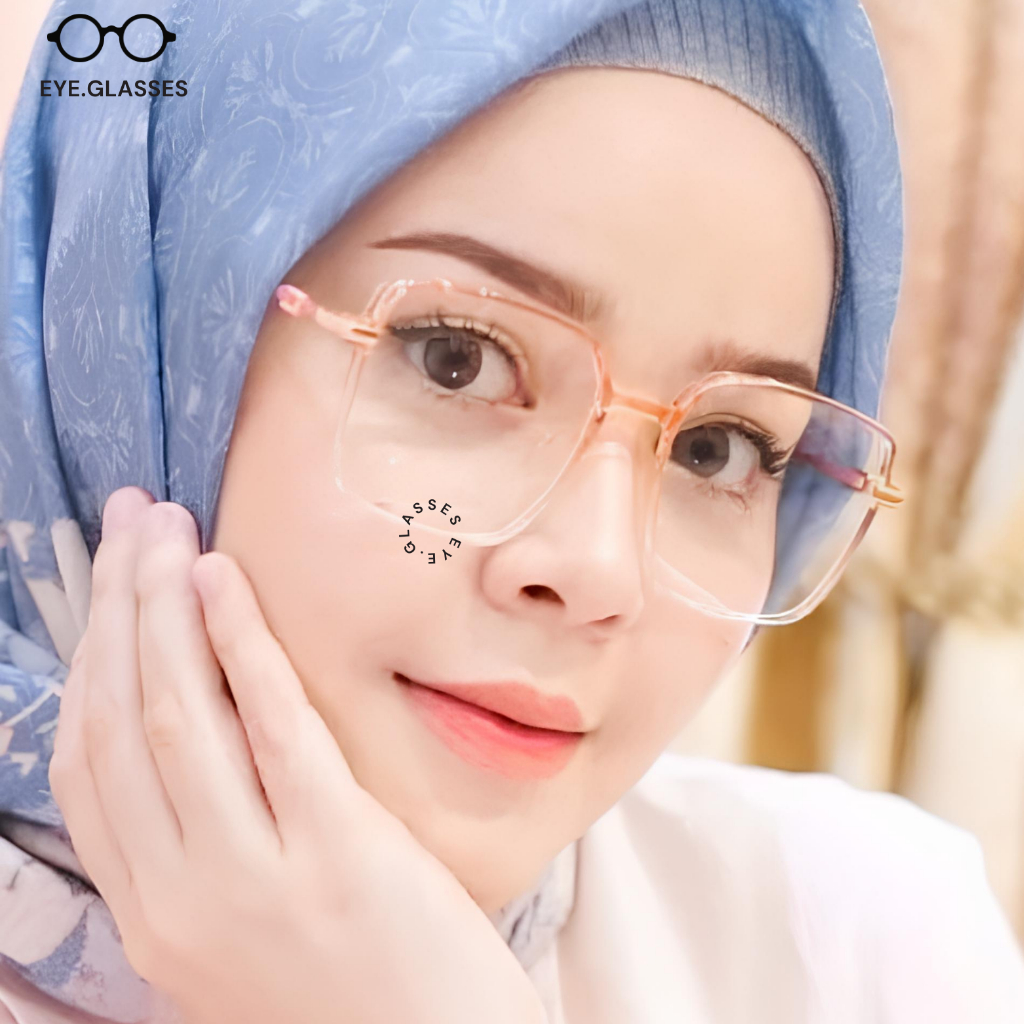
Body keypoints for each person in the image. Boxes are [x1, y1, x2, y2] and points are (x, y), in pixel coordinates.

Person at [2, 0, 1023, 1021]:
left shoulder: (859, 949)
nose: (600, 571)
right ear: (134, 339)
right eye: (460, 360)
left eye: (717, 448)